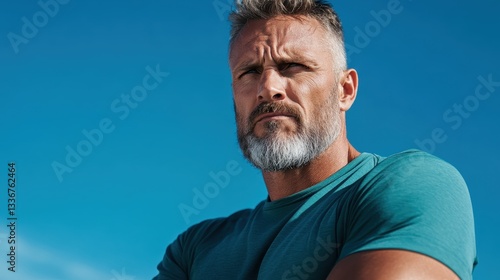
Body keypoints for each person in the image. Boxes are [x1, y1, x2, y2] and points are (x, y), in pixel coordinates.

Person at [153, 0, 477, 279]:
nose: (268, 88)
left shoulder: (415, 186)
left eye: (292, 66)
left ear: (345, 90)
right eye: (249, 72)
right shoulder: (195, 249)